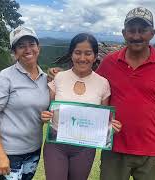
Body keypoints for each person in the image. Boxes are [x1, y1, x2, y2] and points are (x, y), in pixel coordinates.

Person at [48, 7, 155, 180]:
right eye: (131, 30)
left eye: (143, 30)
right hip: (114, 149)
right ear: (124, 33)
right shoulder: (110, 62)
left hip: (151, 150)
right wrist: (62, 75)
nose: (136, 35)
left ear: (152, 33)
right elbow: (89, 81)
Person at [41, 33, 122, 180]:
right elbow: (48, 109)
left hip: (85, 148)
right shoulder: (59, 77)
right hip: (56, 144)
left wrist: (111, 127)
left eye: (88, 53)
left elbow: (103, 119)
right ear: (71, 54)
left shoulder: (103, 83)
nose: (82, 58)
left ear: (95, 56)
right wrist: (46, 116)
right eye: (77, 52)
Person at [0, 26, 50, 180]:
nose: (28, 49)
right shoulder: (5, 77)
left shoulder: (45, 79)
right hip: (9, 152)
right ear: (14, 52)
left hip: (33, 150)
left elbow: (45, 111)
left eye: (31, 44)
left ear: (38, 47)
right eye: (21, 46)